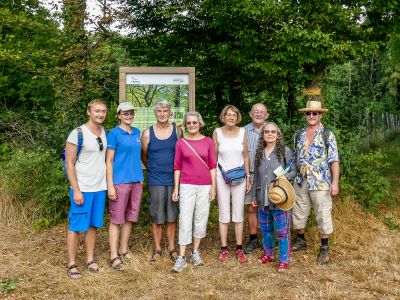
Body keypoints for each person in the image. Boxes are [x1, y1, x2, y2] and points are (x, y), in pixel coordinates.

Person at [291, 92, 340, 265]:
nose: (311, 116)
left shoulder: (328, 134)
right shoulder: (299, 134)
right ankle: (301, 240)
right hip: (301, 180)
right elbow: (295, 159)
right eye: (308, 113)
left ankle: (325, 248)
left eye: (315, 113)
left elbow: (334, 160)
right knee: (298, 211)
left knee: (322, 213)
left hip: (320, 181)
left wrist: (335, 183)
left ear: (320, 115)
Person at [65, 99, 108, 279]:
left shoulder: (104, 132)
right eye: (97, 111)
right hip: (82, 188)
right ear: (88, 111)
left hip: (100, 188)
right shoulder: (77, 133)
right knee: (76, 226)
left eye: (103, 111)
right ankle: (72, 263)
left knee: (92, 226)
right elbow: (69, 163)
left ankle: (90, 260)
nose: (100, 114)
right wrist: (76, 189)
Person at [171, 111, 217, 273]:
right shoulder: (181, 143)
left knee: (201, 218)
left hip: (205, 185)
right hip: (186, 185)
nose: (191, 125)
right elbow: (177, 167)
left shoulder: (208, 142)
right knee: (185, 218)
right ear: (185, 125)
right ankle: (181, 256)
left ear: (200, 124)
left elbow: (212, 166)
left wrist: (214, 187)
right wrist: (176, 188)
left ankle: (195, 251)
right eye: (189, 123)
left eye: (194, 123)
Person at [141, 100, 183, 262]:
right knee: (156, 216)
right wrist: (153, 168)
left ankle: (172, 248)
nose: (163, 113)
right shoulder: (147, 133)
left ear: (170, 112)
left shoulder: (178, 132)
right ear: (155, 113)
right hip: (155, 179)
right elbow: (144, 156)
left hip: (174, 180)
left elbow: (181, 155)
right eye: (159, 111)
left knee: (172, 216)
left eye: (165, 110)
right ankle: (157, 249)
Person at [251, 122, 295, 272]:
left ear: (278, 134)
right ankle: (269, 254)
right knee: (266, 228)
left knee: (282, 230)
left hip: (279, 198)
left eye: (273, 132)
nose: (270, 134)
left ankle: (284, 259)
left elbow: (293, 170)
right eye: (267, 132)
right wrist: (254, 196)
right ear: (263, 135)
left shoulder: (284, 151)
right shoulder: (259, 152)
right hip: (262, 197)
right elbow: (256, 176)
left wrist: (283, 176)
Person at [106, 102, 144, 270]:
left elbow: (138, 157)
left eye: (131, 113)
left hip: (136, 180)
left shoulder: (137, 132)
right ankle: (113, 256)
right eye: (125, 113)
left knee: (130, 217)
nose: (128, 116)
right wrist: (110, 185)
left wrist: (141, 177)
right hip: (119, 182)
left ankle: (123, 249)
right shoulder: (114, 134)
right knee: (116, 219)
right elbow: (109, 161)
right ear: (119, 115)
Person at [213, 105, 251, 263]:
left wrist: (248, 176)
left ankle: (239, 248)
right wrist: (212, 181)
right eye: (228, 115)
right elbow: (213, 157)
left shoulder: (243, 132)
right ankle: (223, 248)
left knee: (238, 213)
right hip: (221, 176)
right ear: (223, 116)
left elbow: (246, 156)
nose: (231, 117)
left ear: (237, 117)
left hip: (240, 176)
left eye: (234, 115)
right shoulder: (217, 132)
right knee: (223, 212)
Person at [243, 103, 269, 254]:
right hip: (250, 174)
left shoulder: (272, 129)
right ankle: (253, 239)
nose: (258, 114)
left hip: (268, 175)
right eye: (256, 112)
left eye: (262, 112)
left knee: (269, 207)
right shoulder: (243, 131)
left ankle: (268, 238)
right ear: (250, 114)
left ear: (267, 115)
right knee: (251, 208)